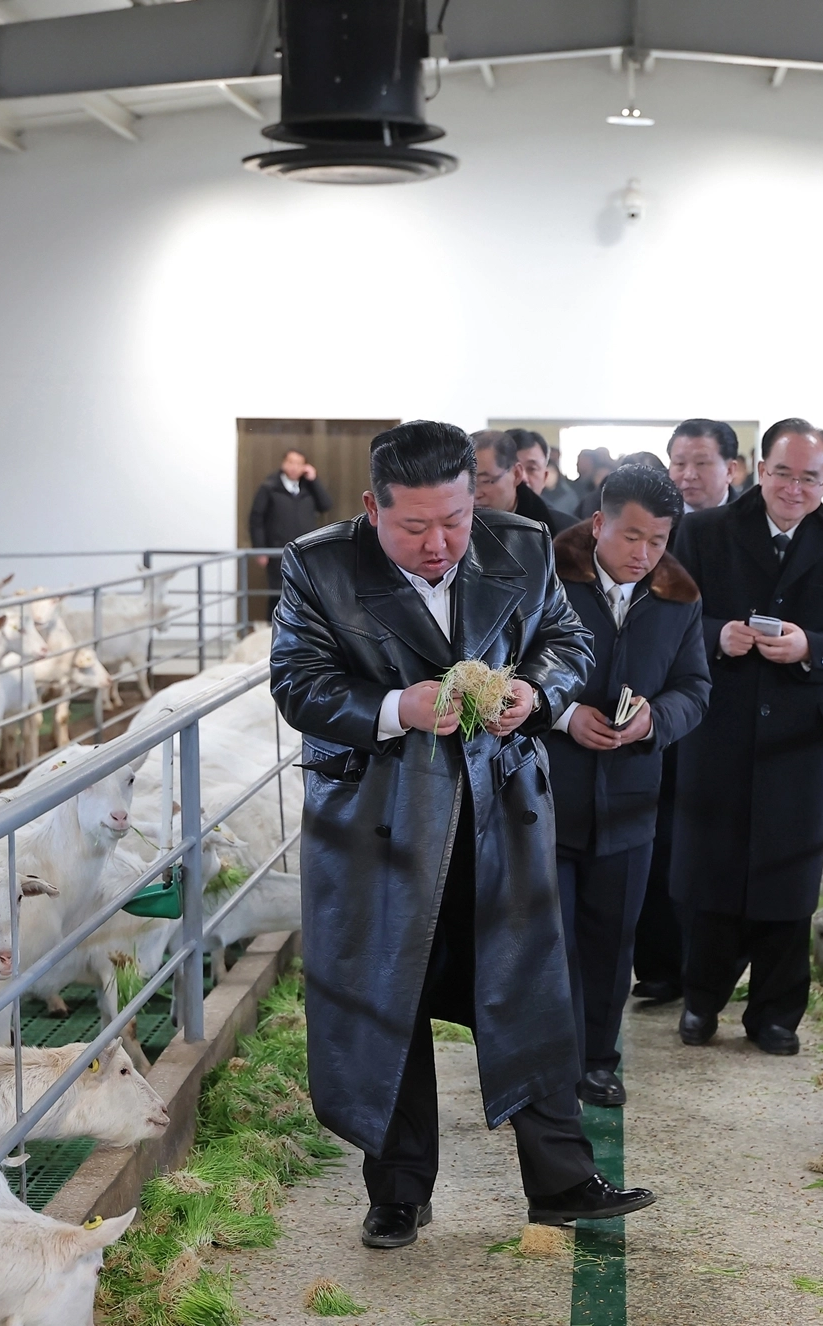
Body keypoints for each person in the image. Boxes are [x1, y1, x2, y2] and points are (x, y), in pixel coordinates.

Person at [269, 420, 657, 1250]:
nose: (440, 543)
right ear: (373, 507)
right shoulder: (318, 564)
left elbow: (566, 639)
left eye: (454, 521)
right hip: (381, 823)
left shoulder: (521, 543)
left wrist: (539, 696)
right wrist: (393, 708)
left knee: (530, 990)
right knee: (387, 999)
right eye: (414, 527)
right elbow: (297, 683)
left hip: (500, 814)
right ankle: (398, 1191)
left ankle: (563, 1182)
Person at [670, 421, 823, 1055]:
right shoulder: (704, 531)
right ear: (759, 469)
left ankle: (775, 1013)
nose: (794, 488)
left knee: (789, 873)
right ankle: (701, 1001)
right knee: (711, 863)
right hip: (719, 723)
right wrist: (716, 635)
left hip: (800, 735)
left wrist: (811, 646)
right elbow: (670, 609)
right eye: (782, 473)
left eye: (808, 477)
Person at [544, 466, 710, 1107]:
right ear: (598, 525)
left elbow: (695, 689)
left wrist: (653, 721)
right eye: (631, 536)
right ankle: (545, 1066)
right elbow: (503, 666)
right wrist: (563, 714)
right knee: (548, 940)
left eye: (659, 541)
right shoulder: (544, 580)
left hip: (632, 801)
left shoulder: (679, 600)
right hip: (546, 798)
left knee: (613, 940)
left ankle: (598, 1060)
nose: (644, 555)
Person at [628, 417, 743, 1005]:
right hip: (655, 704)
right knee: (655, 833)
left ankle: (708, 968)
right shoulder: (651, 525)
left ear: (733, 470)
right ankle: (660, 966)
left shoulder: (748, 532)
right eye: (678, 463)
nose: (688, 475)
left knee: (709, 840)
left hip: (724, 711)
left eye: (701, 463)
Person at [248, 448, 333, 611]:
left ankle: (303, 632)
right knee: (278, 593)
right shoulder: (269, 487)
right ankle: (274, 630)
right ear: (283, 464)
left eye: (299, 463)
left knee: (306, 593)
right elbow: (256, 519)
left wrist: (314, 480)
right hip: (278, 551)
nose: (294, 467)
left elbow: (326, 505)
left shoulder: (309, 487)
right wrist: (260, 549)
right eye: (290, 462)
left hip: (305, 551)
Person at [473, 429, 576, 533]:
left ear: (516, 474)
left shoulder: (565, 532)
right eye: (470, 482)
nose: (524, 478)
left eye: (485, 481)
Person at [539, 442, 581, 518]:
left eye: (552, 472)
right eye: (545, 473)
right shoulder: (536, 496)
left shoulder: (569, 496)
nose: (549, 477)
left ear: (558, 474)